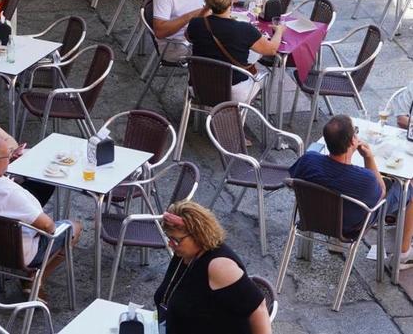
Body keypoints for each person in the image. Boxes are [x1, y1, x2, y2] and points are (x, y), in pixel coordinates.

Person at [0, 136, 82, 298]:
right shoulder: (9, 193)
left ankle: (32, 278)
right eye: (8, 156)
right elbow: (48, 227)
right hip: (21, 254)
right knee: (74, 227)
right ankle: (35, 278)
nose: (9, 159)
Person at [290, 115, 413, 268]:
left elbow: (292, 179)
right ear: (352, 141)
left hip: (312, 218)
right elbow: (381, 193)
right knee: (409, 189)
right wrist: (369, 157)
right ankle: (404, 254)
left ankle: (335, 241)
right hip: (350, 227)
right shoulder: (365, 179)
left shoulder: (308, 160)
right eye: (355, 131)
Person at [153, 201, 270, 333]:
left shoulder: (219, 267)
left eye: (176, 240)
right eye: (169, 238)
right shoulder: (184, 254)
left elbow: (259, 309)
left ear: (198, 235)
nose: (171, 244)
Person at [187, 0, 284, 103]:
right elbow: (271, 49)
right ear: (232, 0)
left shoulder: (195, 24)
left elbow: (188, 37)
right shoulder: (244, 29)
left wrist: (208, 6)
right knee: (263, 77)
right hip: (233, 92)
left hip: (198, 88)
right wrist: (279, 31)